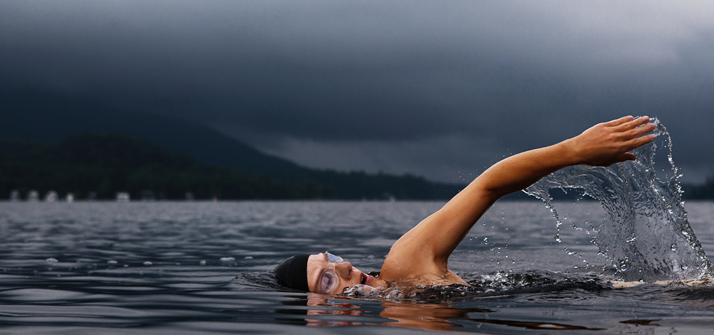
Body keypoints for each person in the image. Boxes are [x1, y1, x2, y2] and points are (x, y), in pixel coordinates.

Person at [274, 116, 657, 295]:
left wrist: (573, 151)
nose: (343, 265)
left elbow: (487, 186)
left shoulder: (404, 266)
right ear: (317, 315)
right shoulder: (400, 333)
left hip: (631, 294)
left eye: (332, 258)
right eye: (327, 279)